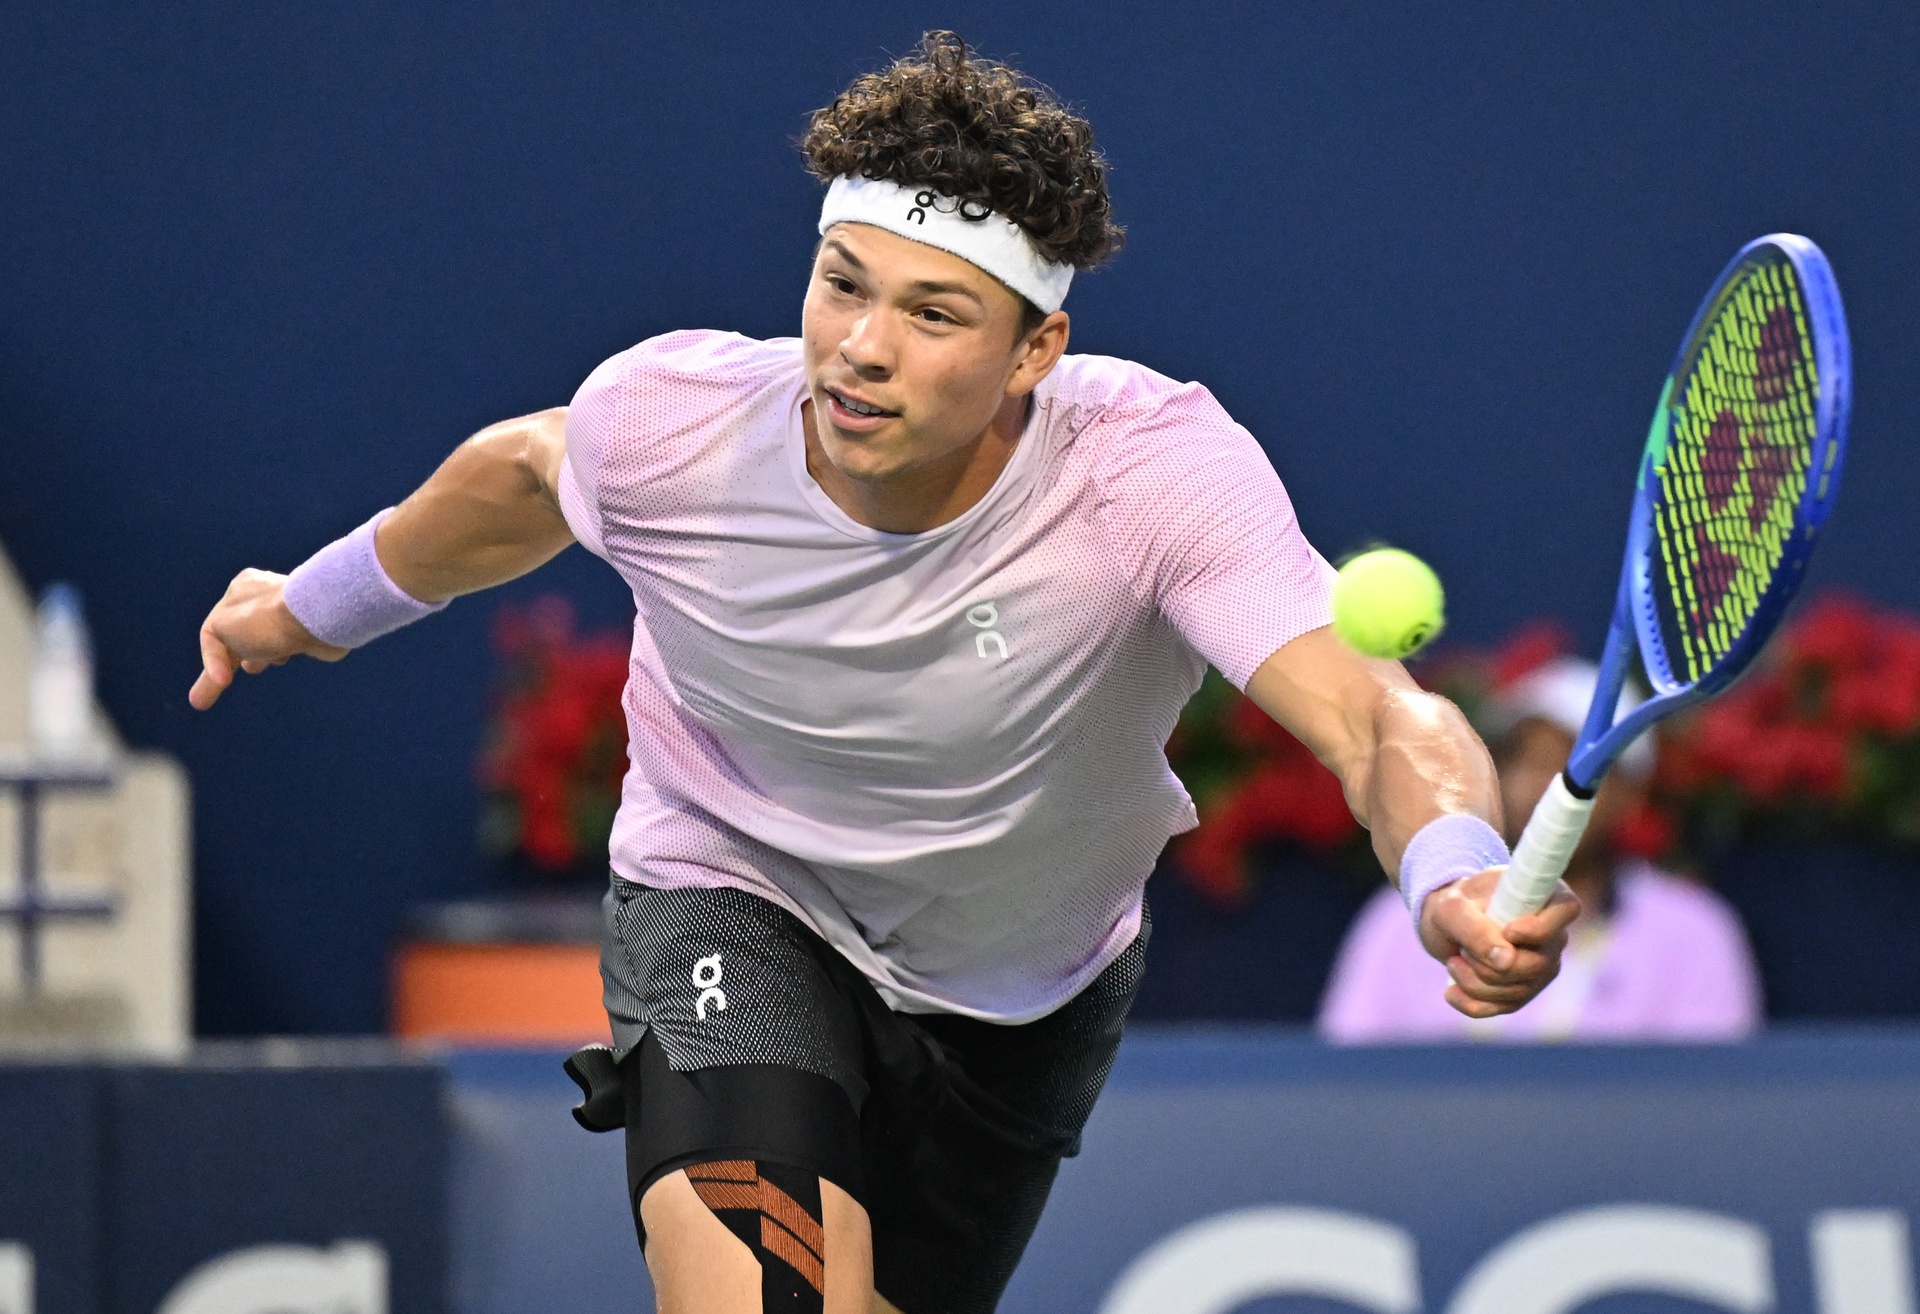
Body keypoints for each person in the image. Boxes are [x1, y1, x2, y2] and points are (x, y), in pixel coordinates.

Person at [188, 33, 1576, 1314]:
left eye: (932, 314)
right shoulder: (670, 429)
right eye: (842, 284)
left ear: (1036, 349)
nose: (860, 346)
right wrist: (307, 610)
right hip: (735, 898)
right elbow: (514, 478)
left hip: (1021, 998)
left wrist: (1450, 864)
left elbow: (1376, 713)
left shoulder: (1151, 474)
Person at [1318, 656, 1763, 1044]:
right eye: (1522, 758)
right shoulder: (1397, 921)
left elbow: (1708, 1106)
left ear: (1631, 794)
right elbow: (1348, 1090)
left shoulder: (1696, 933)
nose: (1539, 785)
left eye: (1570, 763)